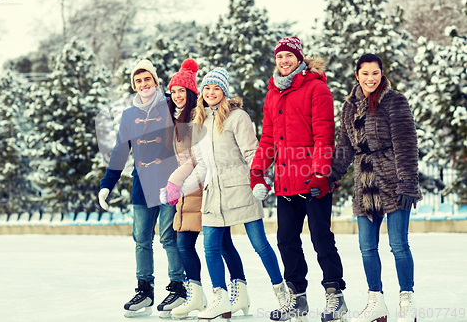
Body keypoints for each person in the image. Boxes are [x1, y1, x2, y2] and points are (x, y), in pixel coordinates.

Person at [178, 67, 288, 320]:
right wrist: (184, 187)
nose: (211, 92)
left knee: (259, 244)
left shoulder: (238, 117)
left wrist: (260, 179)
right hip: (213, 194)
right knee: (210, 247)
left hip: (241, 189)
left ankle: (282, 293)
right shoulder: (199, 122)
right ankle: (221, 299)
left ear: (225, 92)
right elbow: (203, 164)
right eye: (207, 88)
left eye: (217, 88)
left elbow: (252, 153)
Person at [250, 36, 347, 322]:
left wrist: (320, 173)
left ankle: (335, 295)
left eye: (289, 56)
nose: (284, 61)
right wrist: (258, 170)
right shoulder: (272, 94)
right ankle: (297, 297)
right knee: (286, 241)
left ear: (299, 58)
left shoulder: (316, 88)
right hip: (285, 182)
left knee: (321, 239)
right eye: (280, 57)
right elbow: (268, 137)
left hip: (313, 182)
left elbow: (324, 134)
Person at [329, 53, 421, 322]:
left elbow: (406, 145)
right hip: (364, 181)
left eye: (376, 73)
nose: (371, 78)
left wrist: (407, 183)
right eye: (365, 73)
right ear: (357, 75)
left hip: (393, 180)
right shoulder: (349, 107)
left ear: (382, 75)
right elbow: (344, 148)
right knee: (367, 246)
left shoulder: (395, 101)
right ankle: (376, 302)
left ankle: (407, 301)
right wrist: (331, 177)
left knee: (398, 244)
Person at [97, 59, 186, 318]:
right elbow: (119, 151)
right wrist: (107, 185)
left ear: (156, 81)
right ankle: (145, 291)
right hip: (142, 185)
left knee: (169, 237)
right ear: (134, 85)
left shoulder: (171, 104)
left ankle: (178, 289)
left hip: (170, 183)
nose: (143, 84)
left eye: (147, 79)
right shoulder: (129, 114)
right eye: (138, 80)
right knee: (141, 240)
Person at [159, 58, 208, 318]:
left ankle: (202, 296)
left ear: (191, 92)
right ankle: (196, 295)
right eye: (174, 91)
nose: (177, 95)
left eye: (182, 91)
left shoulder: (195, 119)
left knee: (190, 245)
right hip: (185, 190)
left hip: (196, 188)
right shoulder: (177, 119)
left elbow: (194, 160)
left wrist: (175, 182)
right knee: (185, 245)